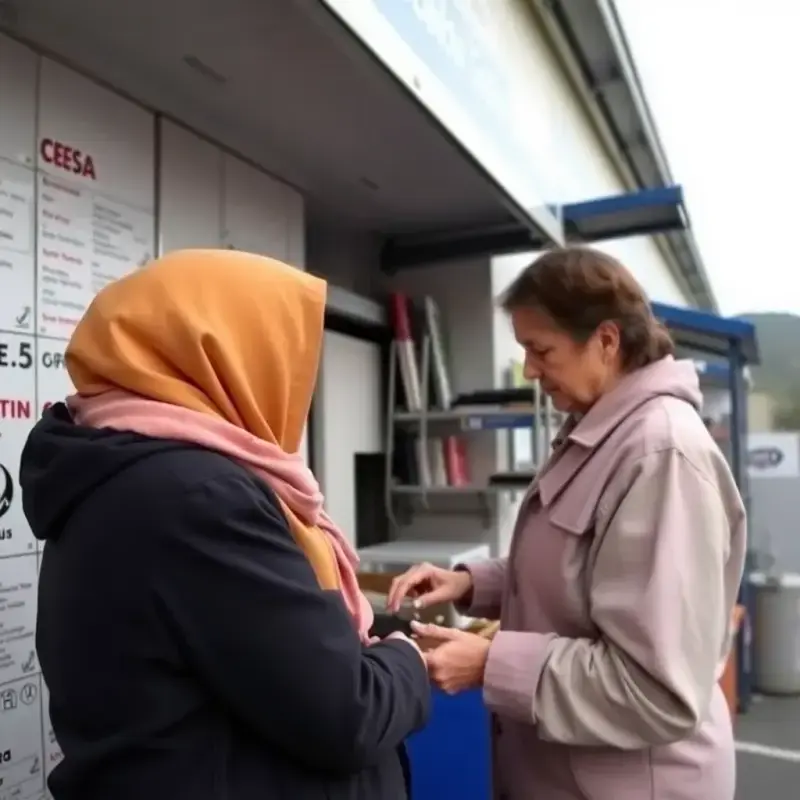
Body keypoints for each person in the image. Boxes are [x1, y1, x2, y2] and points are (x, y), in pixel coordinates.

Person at [21, 250, 430, 800]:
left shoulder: (127, 470)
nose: (296, 391)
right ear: (223, 359)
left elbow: (252, 636)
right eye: (282, 359)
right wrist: (408, 658)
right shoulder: (197, 497)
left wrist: (379, 629)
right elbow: (345, 714)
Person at [388, 246, 746, 800]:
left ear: (606, 340)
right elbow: (583, 568)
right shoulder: (599, 432)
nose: (530, 370)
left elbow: (654, 687)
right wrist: (470, 583)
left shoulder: (661, 456)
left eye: (540, 350)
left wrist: (492, 664)